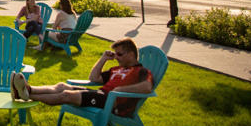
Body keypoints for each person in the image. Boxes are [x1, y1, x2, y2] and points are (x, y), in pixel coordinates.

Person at [11, 38, 154, 117]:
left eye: (119, 54)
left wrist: (120, 90)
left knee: (66, 95)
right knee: (61, 86)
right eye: (115, 54)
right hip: (101, 95)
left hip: (112, 104)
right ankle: (29, 89)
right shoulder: (116, 69)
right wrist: (103, 59)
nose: (116, 57)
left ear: (131, 54)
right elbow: (94, 78)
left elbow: (147, 87)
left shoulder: (141, 71)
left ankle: (26, 95)